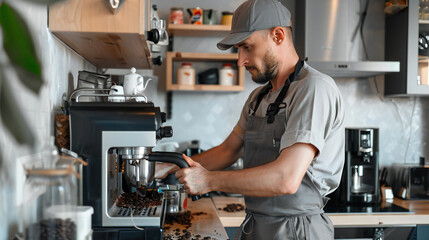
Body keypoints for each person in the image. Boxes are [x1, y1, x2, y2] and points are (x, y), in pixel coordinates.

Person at [156, 0, 345, 239]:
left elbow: (286, 179)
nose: (240, 60)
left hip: (297, 230)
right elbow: (227, 151)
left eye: (246, 47)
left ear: (277, 36)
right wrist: (168, 166)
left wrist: (210, 181)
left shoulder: (314, 89)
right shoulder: (258, 97)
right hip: (256, 226)